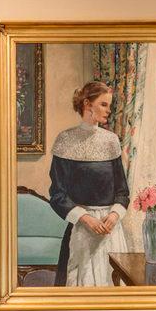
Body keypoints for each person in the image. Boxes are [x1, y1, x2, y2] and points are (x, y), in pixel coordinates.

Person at [47, 79, 130, 285]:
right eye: (103, 104)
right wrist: (86, 219)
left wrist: (113, 215)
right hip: (81, 231)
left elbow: (122, 191)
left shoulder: (111, 141)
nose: (108, 110)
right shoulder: (65, 140)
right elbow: (57, 194)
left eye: (109, 105)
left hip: (111, 232)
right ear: (86, 104)